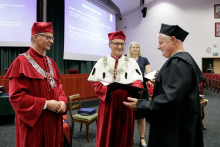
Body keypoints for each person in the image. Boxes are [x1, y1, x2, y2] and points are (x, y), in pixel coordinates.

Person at [123, 23, 205, 147]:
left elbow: (170, 99)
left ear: (173, 40)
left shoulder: (178, 62)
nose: (158, 47)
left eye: (161, 43)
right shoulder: (183, 59)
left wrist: (141, 104)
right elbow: (179, 89)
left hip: (176, 131)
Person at [4, 22, 67, 147]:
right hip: (35, 123)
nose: (51, 41)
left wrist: (62, 101)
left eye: (52, 38)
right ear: (36, 37)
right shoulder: (20, 62)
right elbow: (16, 97)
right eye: (48, 37)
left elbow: (59, 87)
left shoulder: (51, 62)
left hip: (53, 120)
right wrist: (45, 104)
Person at [88, 30, 143, 147]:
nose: (119, 46)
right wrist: (107, 89)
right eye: (116, 43)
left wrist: (136, 88)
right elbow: (95, 82)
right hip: (108, 103)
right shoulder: (101, 62)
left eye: (122, 44)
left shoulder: (132, 62)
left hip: (125, 103)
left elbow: (138, 81)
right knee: (107, 133)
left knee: (124, 134)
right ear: (109, 44)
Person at [127, 41, 152, 147]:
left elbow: (149, 74)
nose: (135, 48)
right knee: (130, 116)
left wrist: (152, 79)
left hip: (142, 90)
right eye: (133, 47)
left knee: (141, 117)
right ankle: (130, 138)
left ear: (139, 49)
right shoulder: (126, 60)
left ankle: (142, 139)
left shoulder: (144, 59)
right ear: (130, 49)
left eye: (137, 47)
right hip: (129, 89)